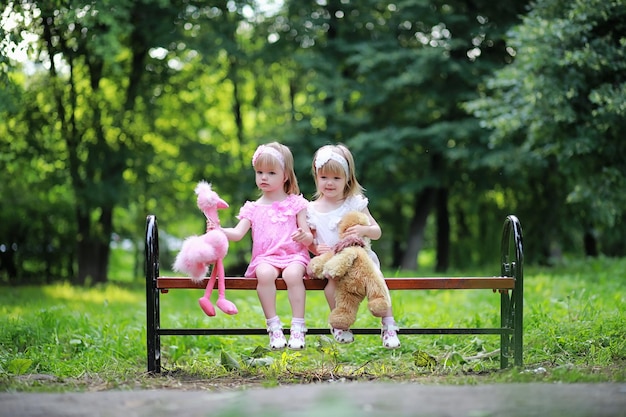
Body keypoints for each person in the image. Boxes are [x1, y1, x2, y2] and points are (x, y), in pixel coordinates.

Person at [221, 142, 314, 350]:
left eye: (271, 173)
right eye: (259, 172)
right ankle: (274, 326)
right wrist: (219, 230)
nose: (264, 177)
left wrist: (304, 236)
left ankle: (298, 326)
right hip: (266, 257)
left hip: (293, 255)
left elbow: (308, 233)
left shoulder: (295, 203)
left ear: (285, 176)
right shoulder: (253, 208)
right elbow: (237, 234)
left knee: (292, 275)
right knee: (263, 274)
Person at [307, 144, 400, 349]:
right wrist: (316, 249)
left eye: (336, 178)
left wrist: (362, 230)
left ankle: (388, 325)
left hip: (360, 257)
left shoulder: (354, 203)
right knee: (331, 280)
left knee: (375, 278)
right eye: (324, 178)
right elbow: (311, 242)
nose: (329, 183)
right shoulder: (311, 210)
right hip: (334, 260)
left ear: (347, 178)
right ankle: (340, 323)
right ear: (316, 176)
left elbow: (377, 230)